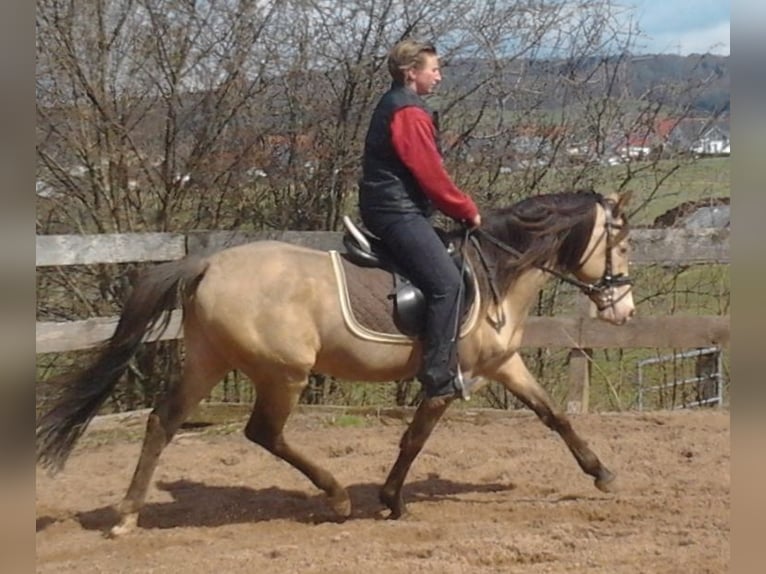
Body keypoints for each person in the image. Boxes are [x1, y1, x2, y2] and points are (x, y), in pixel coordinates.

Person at [358, 39, 482, 403]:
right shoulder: (409, 112)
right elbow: (429, 173)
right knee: (448, 284)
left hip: (393, 207)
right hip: (397, 211)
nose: (439, 76)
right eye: (434, 69)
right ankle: (437, 375)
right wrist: (465, 209)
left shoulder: (399, 105)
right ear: (411, 73)